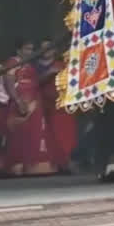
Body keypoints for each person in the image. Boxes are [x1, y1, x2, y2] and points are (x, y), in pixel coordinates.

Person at [0, 41, 58, 176]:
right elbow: (9, 82)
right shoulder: (12, 62)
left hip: (35, 102)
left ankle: (33, 167)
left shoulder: (29, 64)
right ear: (18, 50)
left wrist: (50, 73)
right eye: (27, 49)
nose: (30, 52)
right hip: (21, 104)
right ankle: (18, 167)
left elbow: (35, 82)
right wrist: (18, 101)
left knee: (35, 134)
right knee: (21, 135)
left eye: (32, 49)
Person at [34, 40, 76, 173]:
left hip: (62, 105)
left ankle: (67, 163)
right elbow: (33, 83)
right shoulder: (34, 66)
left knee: (66, 135)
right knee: (51, 136)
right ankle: (56, 164)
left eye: (50, 48)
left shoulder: (62, 64)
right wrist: (49, 73)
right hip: (45, 106)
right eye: (44, 48)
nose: (47, 51)